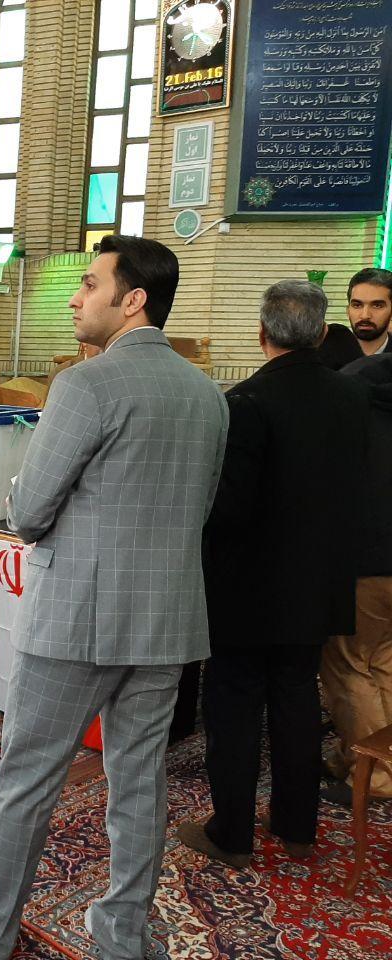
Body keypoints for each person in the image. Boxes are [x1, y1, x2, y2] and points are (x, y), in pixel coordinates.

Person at [0, 235, 228, 960]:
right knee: (139, 782)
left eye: (88, 284)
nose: (76, 299)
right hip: (166, 620)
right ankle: (122, 934)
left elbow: (30, 511)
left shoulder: (86, 384)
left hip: (76, 620)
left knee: (27, 780)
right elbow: (200, 509)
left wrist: (19, 495)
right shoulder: (208, 395)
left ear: (133, 299)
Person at [179, 280, 369, 868]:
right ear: (322, 333)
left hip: (249, 586)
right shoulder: (351, 395)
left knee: (234, 706)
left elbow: (230, 507)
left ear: (261, 334)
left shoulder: (246, 400)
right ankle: (297, 827)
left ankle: (231, 832)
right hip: (319, 581)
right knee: (297, 699)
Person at [321, 350, 392, 806]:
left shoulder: (351, 399)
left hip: (366, 558)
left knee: (349, 664)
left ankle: (376, 776)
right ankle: (363, 756)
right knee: (385, 661)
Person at [348, 267, 392, 357]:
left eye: (377, 306)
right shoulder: (326, 356)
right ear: (347, 310)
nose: (365, 315)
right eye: (357, 305)